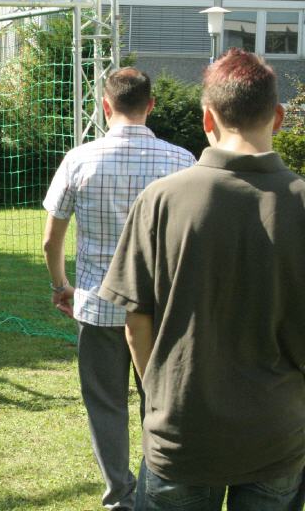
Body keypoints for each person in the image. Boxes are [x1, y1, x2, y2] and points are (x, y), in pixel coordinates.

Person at [99, 48, 305, 510]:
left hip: (181, 434)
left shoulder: (160, 200)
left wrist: (160, 394)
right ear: (278, 117)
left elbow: (136, 323)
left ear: (207, 118)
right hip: (277, 436)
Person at [42, 67, 195, 510]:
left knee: (105, 405)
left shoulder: (79, 160)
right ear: (151, 105)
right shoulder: (183, 161)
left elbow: (51, 240)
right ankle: (154, 490)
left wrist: (61, 286)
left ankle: (119, 498)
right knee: (159, 403)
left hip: (97, 305)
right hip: (161, 312)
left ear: (105, 106)